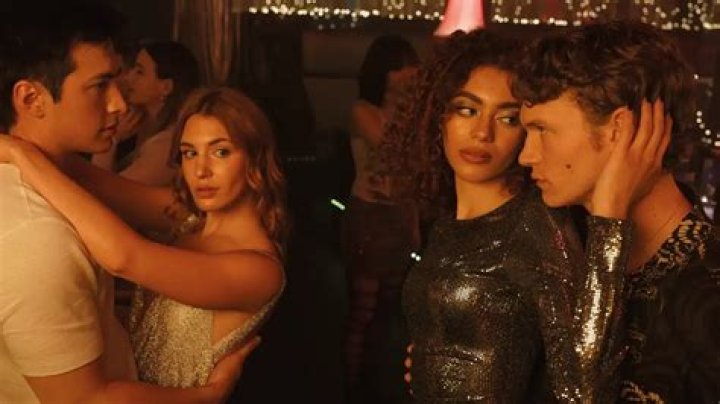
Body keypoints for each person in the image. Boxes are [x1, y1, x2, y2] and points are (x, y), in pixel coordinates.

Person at [382, 28, 665, 402]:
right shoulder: (446, 222)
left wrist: (609, 224)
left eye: (508, 118)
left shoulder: (537, 224)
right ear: (439, 117)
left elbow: (582, 389)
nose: (482, 133)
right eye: (467, 109)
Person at [0, 2, 252, 403]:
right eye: (100, 85)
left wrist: (24, 153)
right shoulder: (38, 234)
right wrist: (209, 395)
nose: (119, 103)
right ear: (32, 99)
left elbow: (136, 224)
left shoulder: (47, 183)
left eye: (221, 152)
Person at [513, 20, 720, 402]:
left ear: (619, 129)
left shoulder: (706, 292)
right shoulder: (562, 245)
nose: (526, 155)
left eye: (542, 129)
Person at [342, 34, 420, 403]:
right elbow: (395, 152)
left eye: (411, 65)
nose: (410, 73)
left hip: (398, 216)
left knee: (391, 307)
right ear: (383, 73)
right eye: (400, 67)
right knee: (364, 308)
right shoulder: (363, 110)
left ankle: (382, 379)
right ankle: (352, 385)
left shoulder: (411, 114)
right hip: (370, 217)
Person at [93, 40, 200, 186]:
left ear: (166, 87)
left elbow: (105, 191)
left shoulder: (166, 145)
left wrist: (111, 139)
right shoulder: (136, 126)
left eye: (140, 72)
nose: (129, 77)